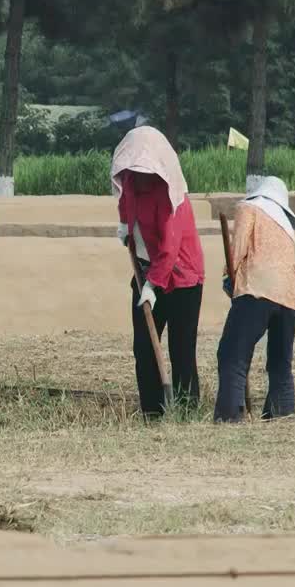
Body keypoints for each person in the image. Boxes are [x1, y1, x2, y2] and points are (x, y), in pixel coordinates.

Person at [111, 126, 205, 419]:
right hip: (145, 269)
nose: (139, 174)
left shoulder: (170, 196)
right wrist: (126, 227)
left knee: (181, 348)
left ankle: (187, 410)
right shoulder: (130, 180)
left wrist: (153, 286)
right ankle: (152, 411)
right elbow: (126, 204)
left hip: (181, 277)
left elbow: (170, 248)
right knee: (144, 346)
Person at [215, 176, 295, 423]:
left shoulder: (248, 208)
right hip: (290, 296)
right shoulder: (284, 224)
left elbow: (238, 248)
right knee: (280, 363)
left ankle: (230, 416)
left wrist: (228, 276)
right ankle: (281, 415)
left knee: (232, 354)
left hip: (258, 288)